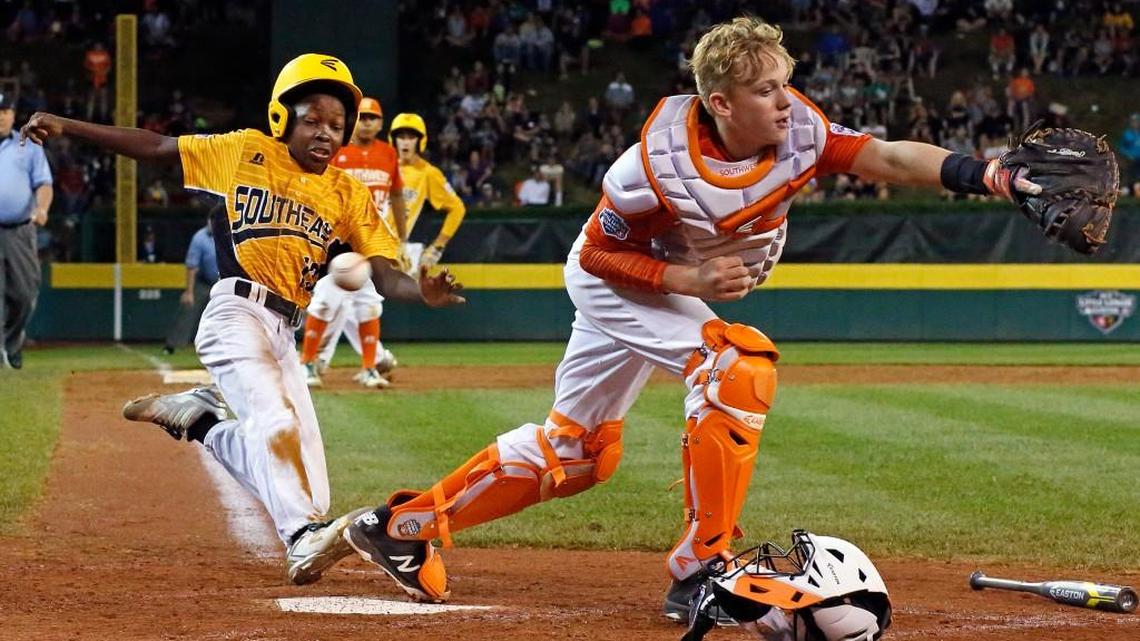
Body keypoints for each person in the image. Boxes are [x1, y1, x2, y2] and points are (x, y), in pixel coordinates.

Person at [330, 16, 1053, 610]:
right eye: (766, 89)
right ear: (722, 103)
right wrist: (685, 272)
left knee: (578, 455)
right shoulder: (653, 165)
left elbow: (893, 160)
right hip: (617, 278)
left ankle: (401, 526)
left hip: (666, 282)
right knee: (735, 362)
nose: (785, 101)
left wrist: (989, 173)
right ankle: (700, 567)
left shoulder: (800, 131)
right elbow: (598, 256)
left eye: (785, 84)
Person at [19, 54, 464, 586]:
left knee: (308, 488)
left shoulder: (347, 194)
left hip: (284, 332)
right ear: (284, 118)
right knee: (275, 428)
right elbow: (158, 147)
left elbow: (385, 277)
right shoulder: (244, 150)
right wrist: (69, 126)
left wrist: (423, 292)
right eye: (313, 119)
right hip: (235, 311)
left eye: (337, 125)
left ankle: (201, 422)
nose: (326, 132)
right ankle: (301, 541)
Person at [302, 111, 466, 387]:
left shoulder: (423, 172)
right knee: (341, 299)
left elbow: (452, 207)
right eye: (401, 135)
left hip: (387, 244)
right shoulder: (368, 158)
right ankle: (354, 360)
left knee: (358, 301)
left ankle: (335, 362)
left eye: (412, 136)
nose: (406, 141)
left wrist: (433, 246)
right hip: (348, 239)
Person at [299, 96, 407, 389]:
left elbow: (396, 195)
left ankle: (370, 368)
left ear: (381, 123)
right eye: (362, 117)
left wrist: (402, 238)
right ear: (352, 121)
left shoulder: (388, 154)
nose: (367, 122)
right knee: (324, 301)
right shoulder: (337, 149)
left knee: (369, 304)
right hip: (335, 239)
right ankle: (306, 364)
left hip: (371, 240)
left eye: (373, 118)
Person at [0, 91, 52, 370]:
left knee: (23, 293)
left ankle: (12, 342)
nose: (0, 116)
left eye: (5, 111)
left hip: (20, 230)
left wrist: (42, 209)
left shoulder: (28, 146)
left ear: (12, 114)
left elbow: (44, 184)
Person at [162, 219, 219, 355]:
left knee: (224, 313)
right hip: (202, 282)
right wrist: (189, 291)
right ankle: (171, 346)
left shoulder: (227, 236)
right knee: (188, 308)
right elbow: (192, 266)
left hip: (221, 283)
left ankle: (222, 348)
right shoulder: (199, 237)